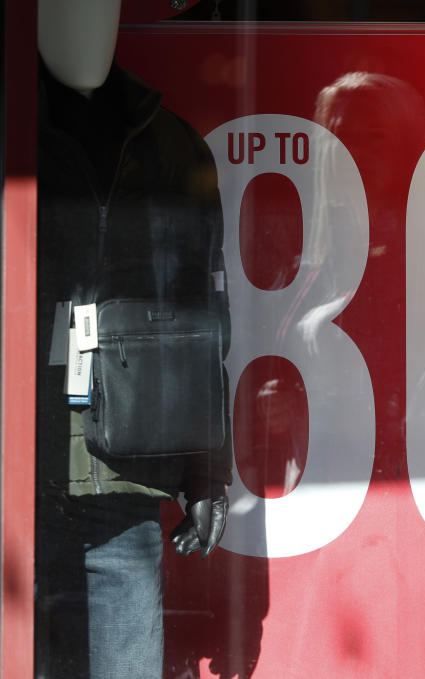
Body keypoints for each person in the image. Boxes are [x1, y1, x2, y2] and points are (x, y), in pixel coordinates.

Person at [35, 1, 231, 677]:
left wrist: (207, 469)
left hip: (124, 478)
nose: (87, 16)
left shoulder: (173, 148)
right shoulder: (18, 133)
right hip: (18, 481)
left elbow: (206, 318)